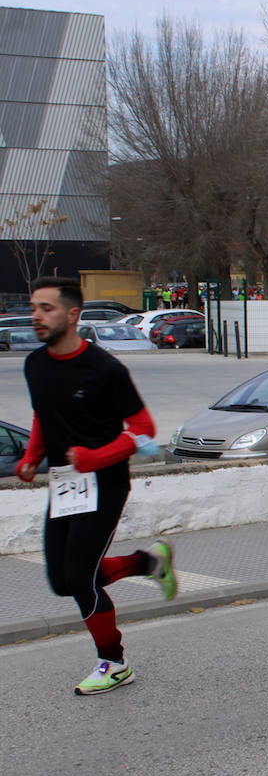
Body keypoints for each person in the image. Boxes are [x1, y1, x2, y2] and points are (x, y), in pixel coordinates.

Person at [15, 277, 176, 695]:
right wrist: (32, 455)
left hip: (104, 482)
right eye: (34, 307)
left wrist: (95, 457)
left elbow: (143, 432)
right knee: (62, 580)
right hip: (66, 484)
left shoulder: (105, 369)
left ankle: (115, 662)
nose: (36, 315)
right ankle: (148, 563)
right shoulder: (34, 365)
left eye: (46, 308)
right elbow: (41, 416)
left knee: (81, 577)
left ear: (72, 315)